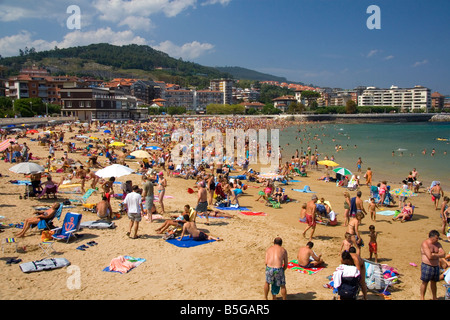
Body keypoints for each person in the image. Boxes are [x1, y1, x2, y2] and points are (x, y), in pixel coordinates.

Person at [420, 230, 445, 300]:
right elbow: (429, 256)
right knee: (425, 282)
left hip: (436, 266)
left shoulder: (438, 244)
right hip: (427, 265)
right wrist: (438, 255)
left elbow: (443, 254)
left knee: (434, 282)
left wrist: (434, 254)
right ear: (432, 237)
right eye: (436, 238)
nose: (437, 239)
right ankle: (422, 298)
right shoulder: (425, 244)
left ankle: (434, 297)